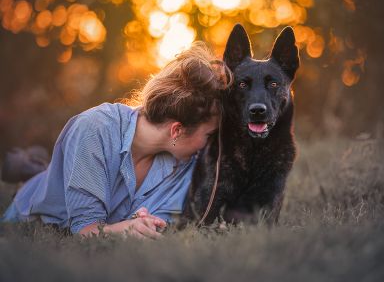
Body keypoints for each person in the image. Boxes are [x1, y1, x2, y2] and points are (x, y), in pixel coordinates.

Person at [0, 42, 231, 239]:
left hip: (96, 189)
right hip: (35, 219)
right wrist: (124, 228)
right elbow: (84, 230)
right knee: (52, 177)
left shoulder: (186, 162)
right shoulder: (94, 128)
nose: (209, 145)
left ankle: (36, 165)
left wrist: (145, 224)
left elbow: (158, 225)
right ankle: (30, 168)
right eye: (209, 135)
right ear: (177, 131)